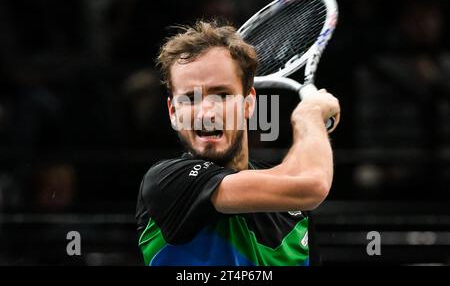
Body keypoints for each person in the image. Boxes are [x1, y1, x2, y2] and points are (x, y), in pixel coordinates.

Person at [135, 20, 340, 266]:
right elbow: (312, 184)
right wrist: (308, 116)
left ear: (248, 103)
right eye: (190, 98)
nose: (206, 114)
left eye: (222, 95)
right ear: (172, 112)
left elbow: (300, 178)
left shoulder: (293, 212)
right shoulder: (166, 182)